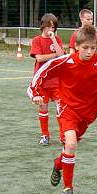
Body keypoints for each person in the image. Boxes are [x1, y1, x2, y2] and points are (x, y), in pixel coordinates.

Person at [28, 25, 97, 194]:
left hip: (87, 115)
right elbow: (41, 73)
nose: (89, 52)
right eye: (85, 48)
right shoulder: (65, 62)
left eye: (93, 48)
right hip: (67, 108)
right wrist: (35, 94)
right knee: (71, 145)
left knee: (68, 149)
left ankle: (58, 164)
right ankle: (68, 189)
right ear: (77, 46)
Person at [29, 13, 65, 145]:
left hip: (56, 81)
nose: (51, 29)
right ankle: (45, 135)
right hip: (42, 81)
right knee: (43, 108)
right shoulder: (37, 40)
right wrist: (54, 55)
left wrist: (53, 39)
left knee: (61, 109)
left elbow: (61, 55)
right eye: (49, 26)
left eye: (53, 27)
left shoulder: (57, 39)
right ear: (42, 26)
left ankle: (63, 136)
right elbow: (39, 58)